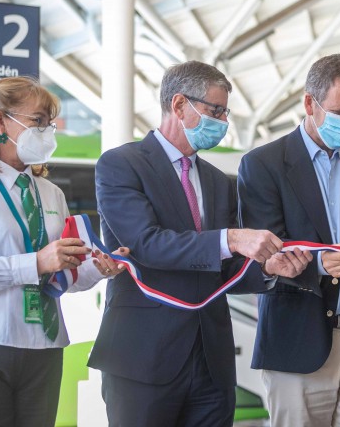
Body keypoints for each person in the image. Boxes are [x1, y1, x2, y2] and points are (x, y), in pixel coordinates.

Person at [88, 61, 308, 427]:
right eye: (215, 110)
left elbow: (224, 266)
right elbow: (145, 244)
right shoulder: (121, 165)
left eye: (225, 112)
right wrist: (233, 238)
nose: (222, 121)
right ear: (178, 106)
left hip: (211, 362)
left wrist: (267, 267)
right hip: (144, 357)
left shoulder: (218, 181)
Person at [0, 76, 127, 427]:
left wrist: (98, 269)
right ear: (0, 121)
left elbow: (64, 275)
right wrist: (35, 262)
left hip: (44, 345)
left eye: (50, 123)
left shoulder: (51, 193)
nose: (48, 132)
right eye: (38, 121)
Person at [237, 54, 340, 427]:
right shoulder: (263, 165)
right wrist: (320, 266)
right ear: (309, 103)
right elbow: (265, 253)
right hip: (296, 343)